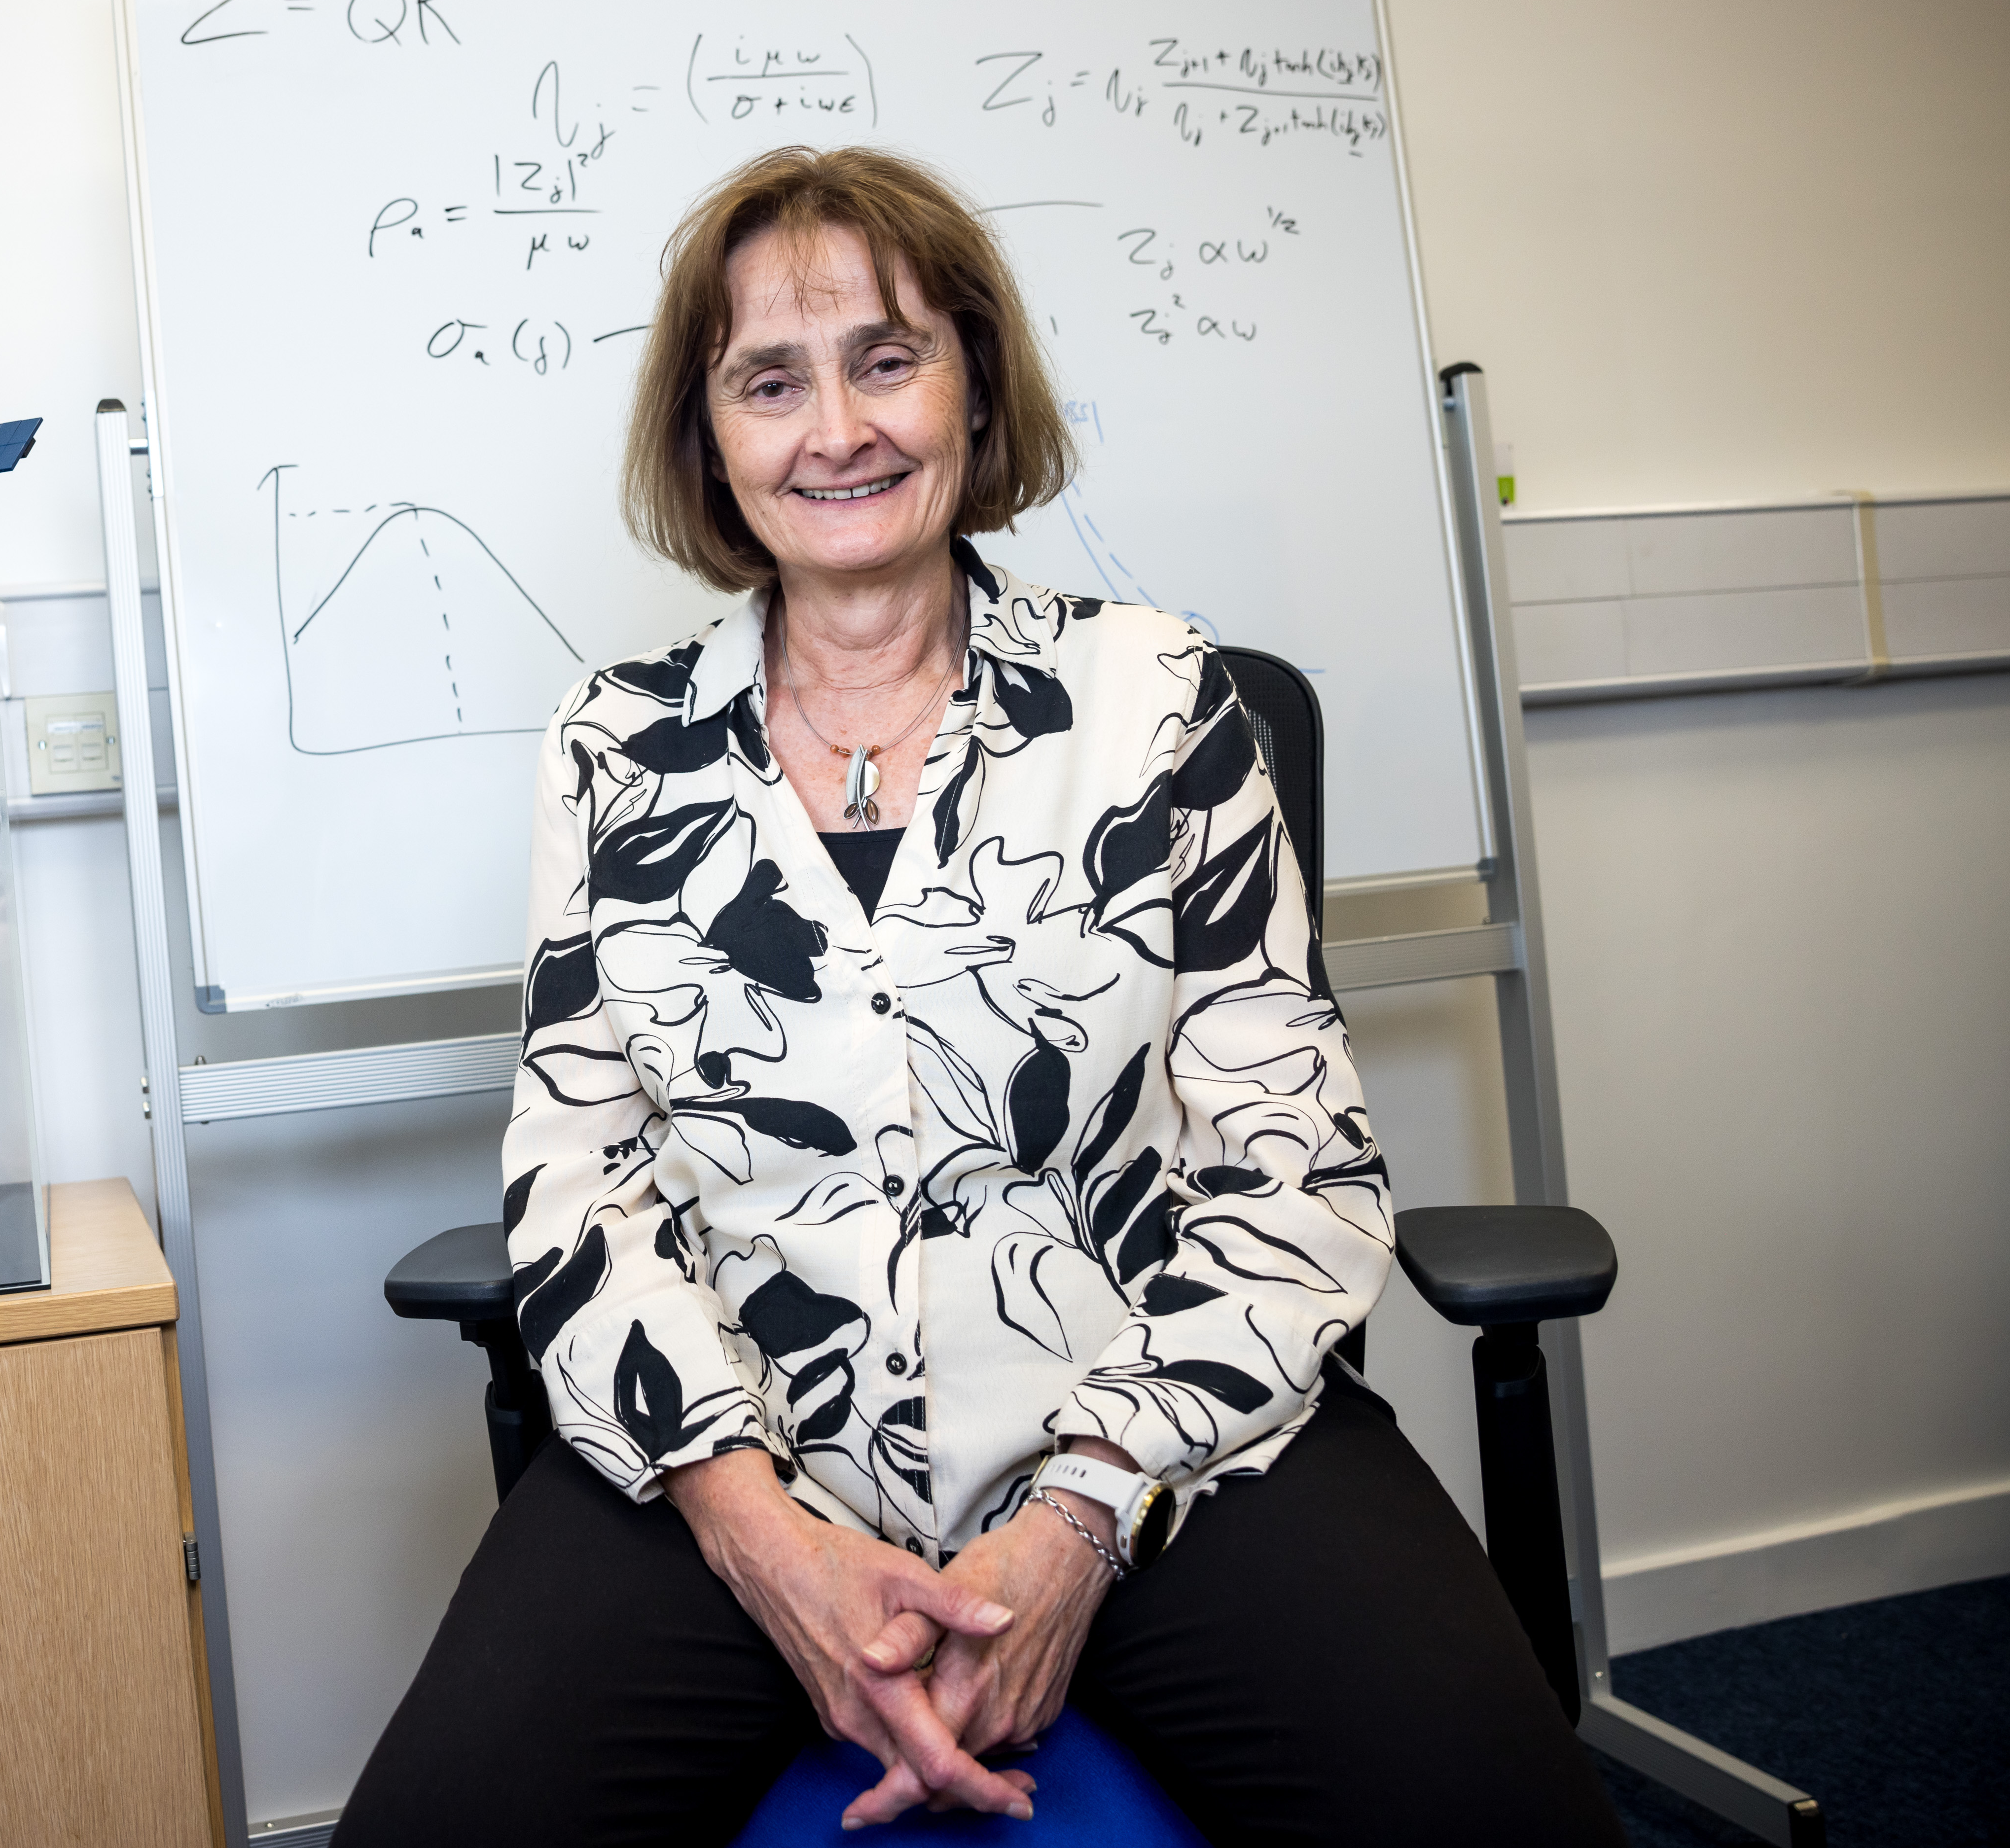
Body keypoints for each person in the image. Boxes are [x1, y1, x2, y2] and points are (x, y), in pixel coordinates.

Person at [336, 147, 1624, 1848]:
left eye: (888, 358)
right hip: (747, 1457)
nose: (839, 429)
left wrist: (1083, 1514)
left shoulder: (1156, 698)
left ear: (974, 381)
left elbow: (1298, 1167)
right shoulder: (613, 745)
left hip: (1159, 1441)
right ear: (708, 436)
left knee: (1504, 1826)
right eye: (770, 381)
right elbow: (581, 1185)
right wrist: (765, 1545)